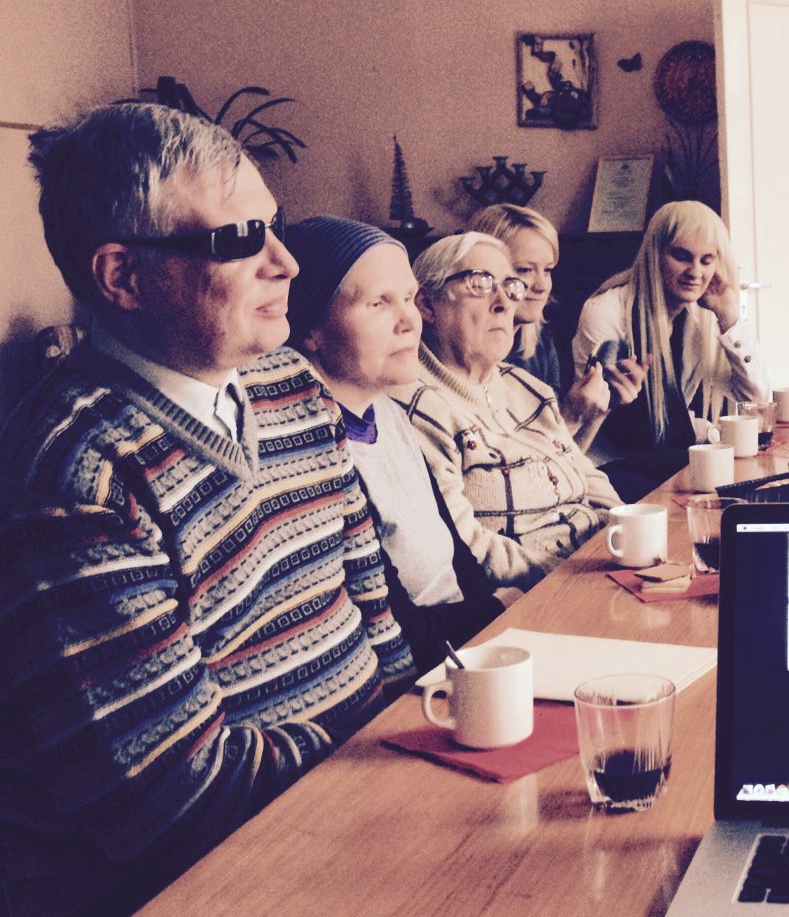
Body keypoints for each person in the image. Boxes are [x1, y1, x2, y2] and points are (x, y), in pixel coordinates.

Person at [0, 104, 414, 915]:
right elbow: (170, 800)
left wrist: (421, 728)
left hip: (362, 804)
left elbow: (371, 600)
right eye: (239, 239)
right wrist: (381, 758)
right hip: (198, 878)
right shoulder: (77, 477)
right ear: (123, 277)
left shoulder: (290, 383)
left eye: (275, 227)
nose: (287, 263)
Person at [284, 216, 516, 674]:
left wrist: (494, 609)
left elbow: (457, 555)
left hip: (468, 651)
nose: (409, 320)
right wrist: (499, 608)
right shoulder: (312, 451)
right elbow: (393, 625)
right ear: (311, 330)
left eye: (408, 298)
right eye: (378, 303)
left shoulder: (389, 411)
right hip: (417, 673)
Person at [397, 231, 620, 589]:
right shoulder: (415, 407)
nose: (503, 302)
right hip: (542, 591)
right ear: (427, 304)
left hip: (600, 566)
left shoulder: (526, 386)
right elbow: (468, 547)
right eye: (481, 283)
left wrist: (628, 540)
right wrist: (578, 578)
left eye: (511, 286)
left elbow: (591, 482)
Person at [573, 200, 769, 500]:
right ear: (655, 255)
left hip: (666, 462)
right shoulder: (607, 312)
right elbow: (611, 424)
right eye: (682, 256)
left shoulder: (699, 318)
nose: (695, 272)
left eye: (707, 260)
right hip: (609, 469)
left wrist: (729, 317)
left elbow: (756, 401)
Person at [467, 202, 630, 452]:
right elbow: (512, 467)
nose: (542, 285)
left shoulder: (541, 341)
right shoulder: (470, 356)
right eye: (525, 270)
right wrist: (570, 417)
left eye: (548, 270)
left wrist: (599, 410)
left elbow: (568, 459)